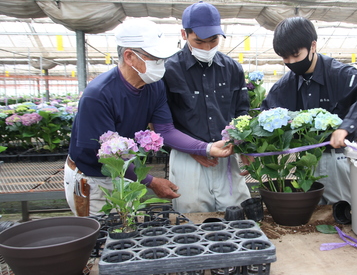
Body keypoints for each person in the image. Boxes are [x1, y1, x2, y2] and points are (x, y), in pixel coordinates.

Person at [64, 19, 234, 217]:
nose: (161, 65)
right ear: (129, 57)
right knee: (100, 237)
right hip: (93, 179)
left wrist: (206, 148)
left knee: (126, 231)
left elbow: (165, 130)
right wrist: (151, 182)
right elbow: (106, 157)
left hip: (125, 173)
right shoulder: (99, 95)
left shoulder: (153, 85)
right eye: (155, 58)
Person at [261, 16, 357, 205]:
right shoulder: (286, 85)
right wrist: (255, 151)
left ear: (313, 46)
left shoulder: (338, 74)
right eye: (285, 57)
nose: (291, 62)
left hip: (337, 160)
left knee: (341, 213)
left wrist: (345, 127)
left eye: (296, 55)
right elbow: (264, 114)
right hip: (303, 163)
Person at [163, 1, 251, 213]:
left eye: (213, 41)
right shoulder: (169, 70)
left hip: (227, 155)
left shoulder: (232, 68)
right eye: (199, 42)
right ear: (184, 34)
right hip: (187, 159)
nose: (207, 48)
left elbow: (242, 112)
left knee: (237, 213)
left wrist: (246, 146)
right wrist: (193, 148)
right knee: (192, 215)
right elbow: (162, 125)